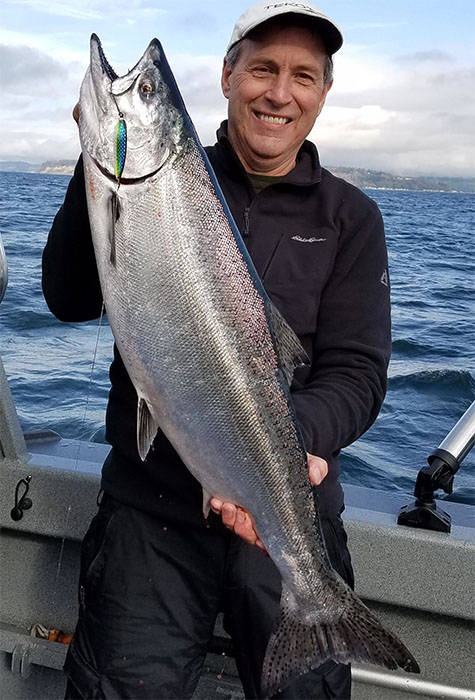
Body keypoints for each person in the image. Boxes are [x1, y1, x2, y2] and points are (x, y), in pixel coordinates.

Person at [42, 1, 391, 698]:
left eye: (302, 75)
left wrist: (291, 446)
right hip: (152, 513)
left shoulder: (351, 218)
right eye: (262, 68)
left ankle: (319, 610)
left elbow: (355, 374)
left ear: (322, 93)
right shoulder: (163, 176)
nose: (278, 92)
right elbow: (68, 299)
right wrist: (94, 170)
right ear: (228, 76)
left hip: (289, 512)